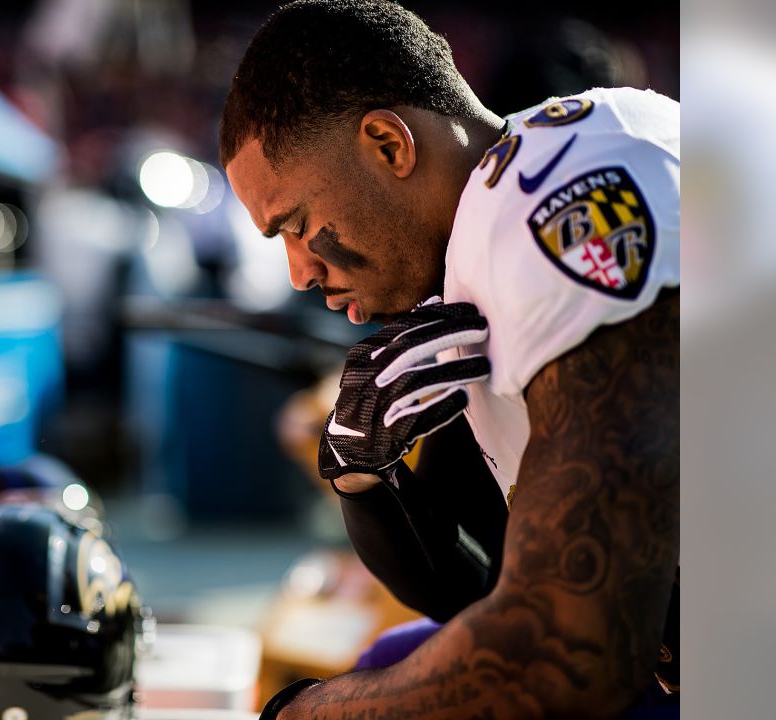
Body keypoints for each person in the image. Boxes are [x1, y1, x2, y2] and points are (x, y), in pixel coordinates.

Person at [220, 1, 679, 718]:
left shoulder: (556, 206)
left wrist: (309, 715)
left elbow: (572, 656)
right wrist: (365, 481)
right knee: (391, 657)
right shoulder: (474, 251)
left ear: (388, 144)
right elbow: (476, 592)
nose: (298, 273)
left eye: (299, 225)